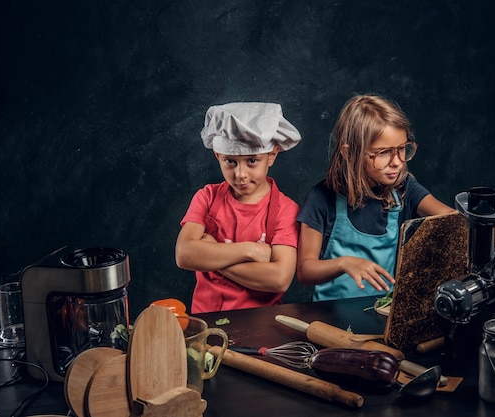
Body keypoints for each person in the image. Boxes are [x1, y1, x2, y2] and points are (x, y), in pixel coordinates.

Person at [296, 94, 453, 301]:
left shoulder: (405, 189)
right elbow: (305, 272)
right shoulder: (321, 198)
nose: (397, 162)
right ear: (349, 153)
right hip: (328, 318)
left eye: (402, 149)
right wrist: (344, 263)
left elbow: (452, 220)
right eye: (384, 152)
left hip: (382, 316)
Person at [175, 102, 302, 313]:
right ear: (217, 155)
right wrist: (251, 250)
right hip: (205, 320)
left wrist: (212, 253)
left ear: (272, 155)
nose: (240, 174)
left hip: (263, 321)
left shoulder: (285, 209)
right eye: (230, 162)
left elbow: (279, 279)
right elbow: (184, 254)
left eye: (252, 161)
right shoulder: (206, 197)